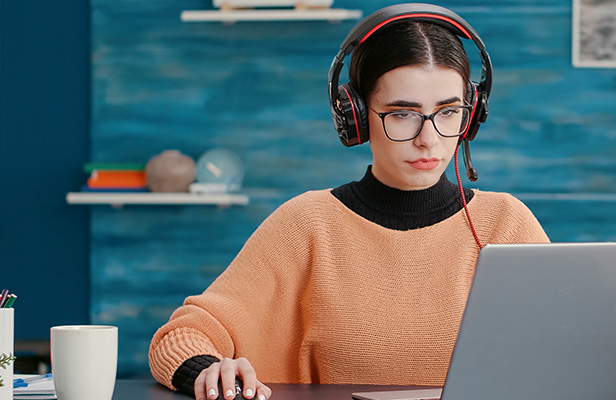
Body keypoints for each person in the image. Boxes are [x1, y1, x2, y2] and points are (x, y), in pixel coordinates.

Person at [147, 5, 549, 400]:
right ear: (355, 116)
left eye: (448, 112)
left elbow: (572, 342)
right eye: (403, 114)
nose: (429, 137)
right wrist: (211, 371)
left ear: (472, 113)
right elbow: (179, 337)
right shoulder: (305, 224)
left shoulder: (507, 225)